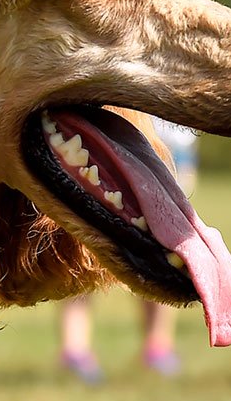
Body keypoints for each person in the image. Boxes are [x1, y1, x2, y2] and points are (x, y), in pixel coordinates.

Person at [57, 117, 198, 381]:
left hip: (170, 145)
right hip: (103, 136)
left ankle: (158, 345)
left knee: (164, 248)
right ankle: (74, 347)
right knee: (81, 241)